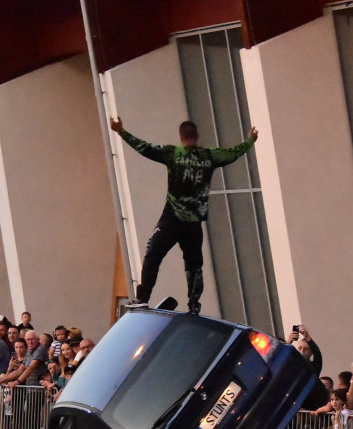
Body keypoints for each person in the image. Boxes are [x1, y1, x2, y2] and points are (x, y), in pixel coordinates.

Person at [110, 116, 258, 313]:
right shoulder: (209, 156)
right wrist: (250, 140)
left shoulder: (173, 153)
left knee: (153, 254)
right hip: (194, 223)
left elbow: (144, 147)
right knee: (194, 265)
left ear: (181, 137)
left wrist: (121, 131)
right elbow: (233, 153)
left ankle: (143, 297)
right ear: (197, 136)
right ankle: (194, 304)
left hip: (171, 219)